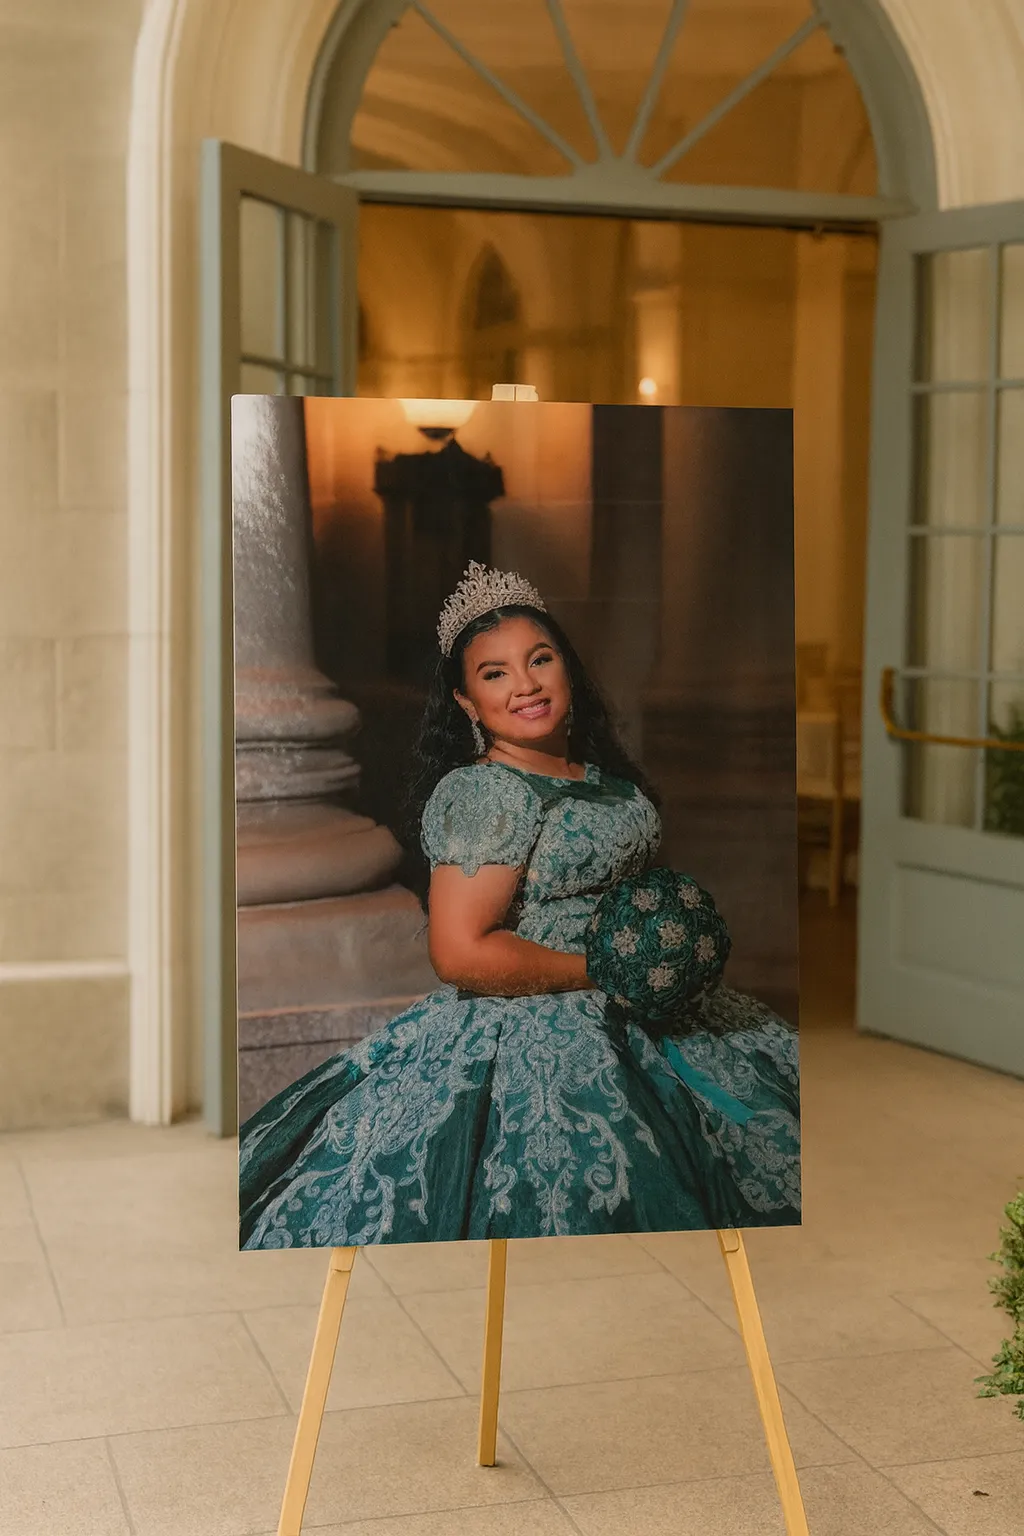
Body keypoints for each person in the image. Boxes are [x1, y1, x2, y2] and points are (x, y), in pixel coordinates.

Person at [239, 561, 800, 1248]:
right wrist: (607, 969)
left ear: (569, 668)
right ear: (467, 703)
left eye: (540, 659)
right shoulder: (487, 795)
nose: (526, 684)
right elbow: (460, 951)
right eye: (495, 673)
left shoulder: (595, 775)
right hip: (540, 1025)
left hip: (658, 1010)